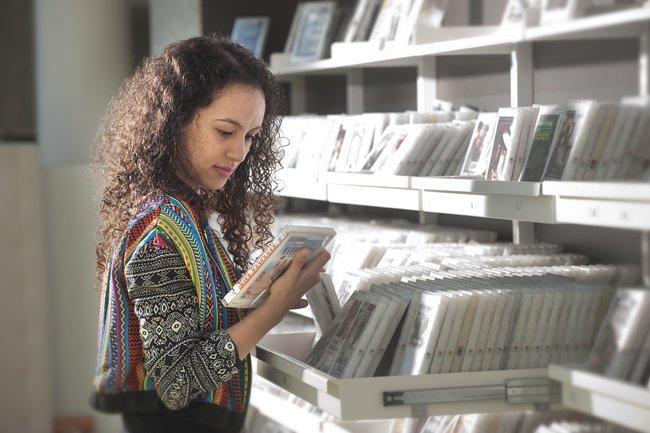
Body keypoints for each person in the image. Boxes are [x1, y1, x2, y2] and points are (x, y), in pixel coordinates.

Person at [90, 36, 330, 433]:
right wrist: (272, 311)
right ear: (174, 120)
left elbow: (192, 334)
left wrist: (263, 297)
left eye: (251, 136)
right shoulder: (162, 231)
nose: (239, 153)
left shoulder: (182, 213)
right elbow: (175, 383)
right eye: (225, 131)